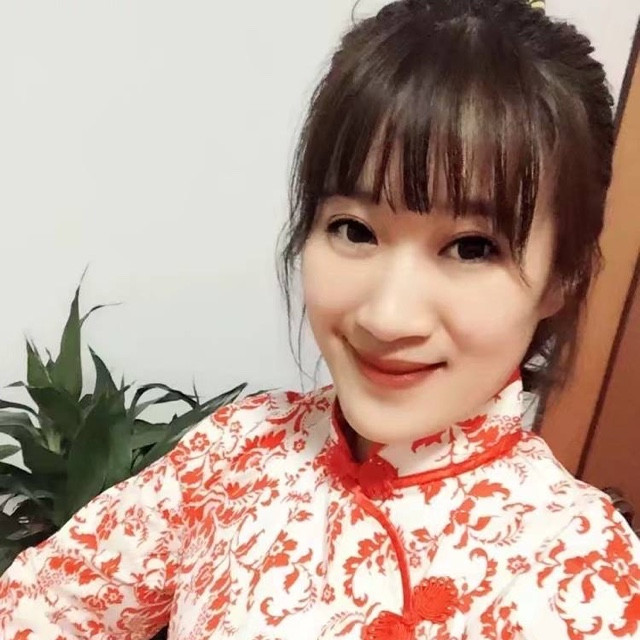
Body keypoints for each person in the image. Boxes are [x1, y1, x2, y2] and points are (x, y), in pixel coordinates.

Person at [2, 0, 639, 638]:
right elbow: (42, 607)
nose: (388, 317)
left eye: (472, 247)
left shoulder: (585, 578)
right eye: (354, 229)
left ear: (563, 277)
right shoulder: (237, 449)